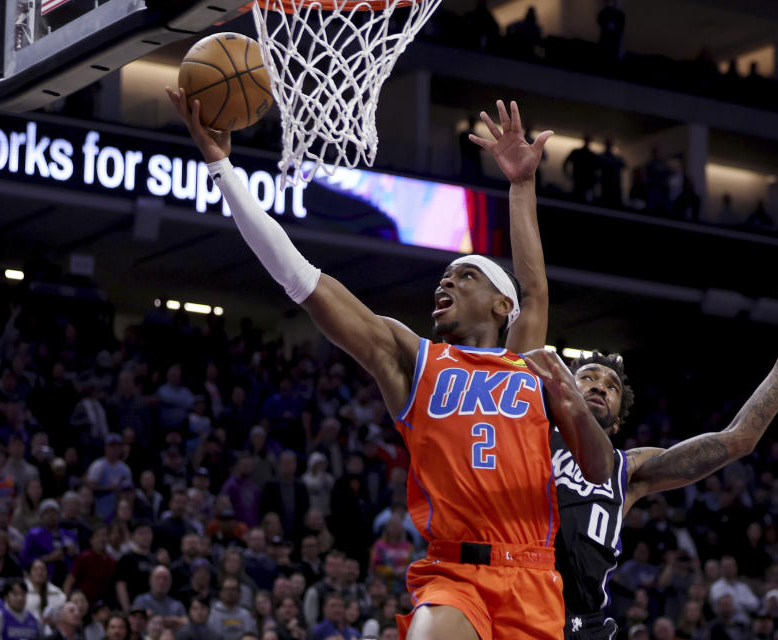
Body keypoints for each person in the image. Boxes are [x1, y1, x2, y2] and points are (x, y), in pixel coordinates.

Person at [167, 89, 613, 640]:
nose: (446, 280)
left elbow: (538, 291)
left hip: (533, 577)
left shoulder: (529, 365)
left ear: (503, 306)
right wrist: (222, 167)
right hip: (455, 574)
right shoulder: (414, 359)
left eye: (464, 275)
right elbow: (302, 278)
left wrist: (522, 184)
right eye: (443, 277)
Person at [548, 267, 778, 638]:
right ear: (563, 392)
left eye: (611, 385)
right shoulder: (528, 433)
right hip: (513, 593)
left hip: (584, 623)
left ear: (617, 424)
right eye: (587, 377)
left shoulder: (628, 470)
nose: (599, 386)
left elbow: (739, 437)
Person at [21, 500, 79, 587]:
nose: (51, 515)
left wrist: (74, 553)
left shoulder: (68, 534)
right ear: (41, 516)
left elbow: (79, 557)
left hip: (67, 577)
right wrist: (47, 559)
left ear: (59, 515)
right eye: (47, 512)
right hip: (45, 576)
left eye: (54, 512)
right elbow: (24, 560)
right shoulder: (33, 534)